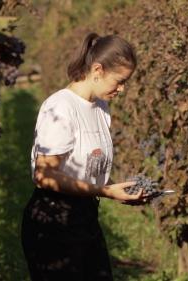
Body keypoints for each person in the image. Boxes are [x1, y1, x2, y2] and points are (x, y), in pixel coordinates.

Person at [21, 32, 149, 281]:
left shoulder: (100, 107)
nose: (122, 89)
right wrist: (105, 192)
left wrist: (116, 188)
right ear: (98, 70)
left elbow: (84, 168)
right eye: (120, 81)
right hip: (53, 222)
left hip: (85, 218)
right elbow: (44, 176)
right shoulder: (60, 108)